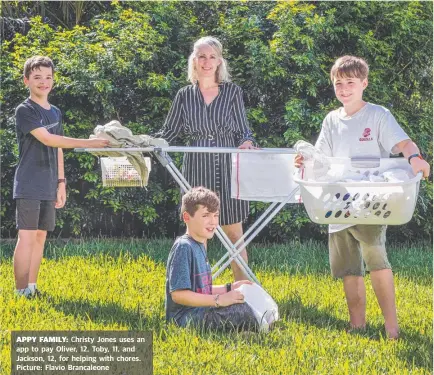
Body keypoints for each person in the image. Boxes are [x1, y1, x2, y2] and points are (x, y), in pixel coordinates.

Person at [295, 55, 430, 339]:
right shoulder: (331, 120)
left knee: (376, 261)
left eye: (351, 83)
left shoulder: (378, 115)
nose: (344, 89)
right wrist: (304, 162)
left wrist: (416, 158)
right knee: (349, 268)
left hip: (370, 202)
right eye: (339, 83)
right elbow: (320, 159)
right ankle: (358, 324)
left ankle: (392, 328)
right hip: (336, 200)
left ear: (364, 83)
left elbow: (404, 142)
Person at [156, 36, 256, 281]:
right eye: (202, 56)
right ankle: (200, 292)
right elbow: (167, 133)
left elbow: (243, 130)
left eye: (212, 56)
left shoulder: (232, 92)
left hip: (228, 168)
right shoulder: (184, 95)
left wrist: (247, 141)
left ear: (219, 61)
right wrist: (142, 142)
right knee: (199, 234)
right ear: (194, 60)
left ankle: (243, 290)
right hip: (196, 168)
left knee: (234, 234)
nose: (207, 62)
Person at [13, 56, 109, 298]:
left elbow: (57, 150)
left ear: (53, 81)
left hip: (49, 183)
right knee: (26, 238)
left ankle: (32, 288)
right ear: (26, 81)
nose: (44, 82)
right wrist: (90, 143)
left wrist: (61, 182)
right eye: (37, 77)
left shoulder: (55, 111)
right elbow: (49, 139)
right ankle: (19, 290)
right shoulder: (25, 110)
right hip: (28, 183)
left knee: (40, 237)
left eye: (48, 77)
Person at [165, 186, 258, 331]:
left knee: (244, 301)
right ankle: (251, 328)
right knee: (242, 311)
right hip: (184, 319)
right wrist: (219, 300)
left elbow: (202, 290)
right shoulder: (184, 247)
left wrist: (229, 288)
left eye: (215, 215)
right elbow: (178, 295)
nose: (213, 221)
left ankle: (251, 327)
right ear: (187, 217)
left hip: (201, 311)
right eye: (206, 215)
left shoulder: (199, 245)